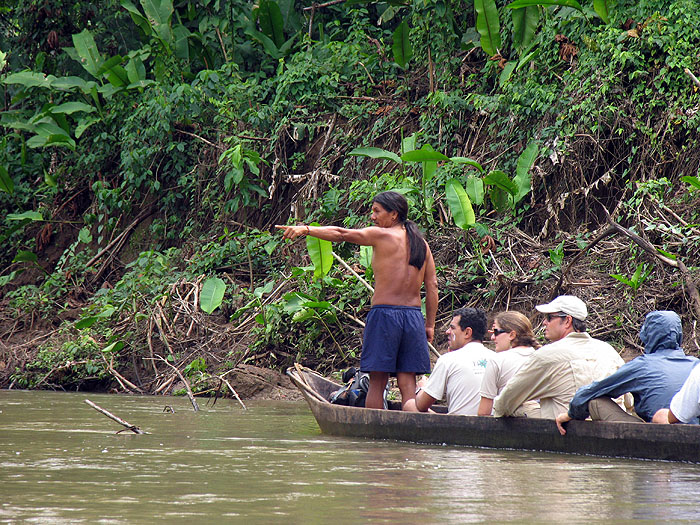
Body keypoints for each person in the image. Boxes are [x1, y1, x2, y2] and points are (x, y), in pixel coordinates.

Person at [276, 191, 438, 411]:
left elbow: (341, 233)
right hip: (412, 318)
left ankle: (373, 440)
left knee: (378, 382)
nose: (372, 217)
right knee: (407, 382)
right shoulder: (422, 244)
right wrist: (429, 325)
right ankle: (409, 435)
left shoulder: (382, 235)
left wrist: (306, 229)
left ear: (393, 214)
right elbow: (432, 287)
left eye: (376, 211)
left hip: (385, 316)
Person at [555, 310, 699, 434]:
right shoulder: (695, 364)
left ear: (647, 337)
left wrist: (570, 415)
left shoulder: (642, 366)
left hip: (658, 433)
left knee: (595, 401)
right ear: (679, 336)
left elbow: (588, 393)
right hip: (692, 432)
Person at [493, 295, 624, 419]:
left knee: (520, 405)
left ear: (567, 320)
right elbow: (628, 400)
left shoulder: (547, 355)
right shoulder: (609, 350)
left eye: (549, 317)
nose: (544, 322)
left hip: (565, 432)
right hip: (612, 429)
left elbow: (505, 402)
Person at [406, 307, 495, 415]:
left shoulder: (448, 360)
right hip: (492, 425)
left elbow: (421, 405)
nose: (447, 332)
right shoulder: (496, 358)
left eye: (452, 328)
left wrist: (422, 388)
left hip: (457, 428)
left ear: (467, 333)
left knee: (410, 405)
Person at [477, 311, 540, 417]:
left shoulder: (497, 360)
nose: (492, 337)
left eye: (496, 332)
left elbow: (484, 413)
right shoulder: (541, 358)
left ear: (512, 334)